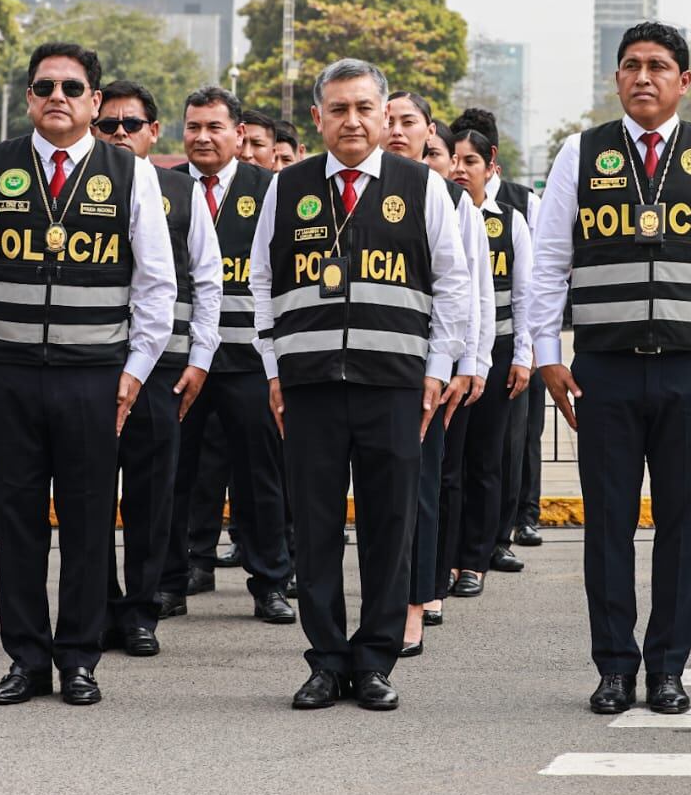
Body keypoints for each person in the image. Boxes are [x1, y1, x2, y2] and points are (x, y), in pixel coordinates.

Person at [530, 21, 691, 716]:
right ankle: (613, 667)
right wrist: (546, 353)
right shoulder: (580, 153)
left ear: (683, 81)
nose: (642, 77)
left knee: (681, 524)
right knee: (607, 524)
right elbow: (548, 260)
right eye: (630, 65)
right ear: (615, 78)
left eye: (658, 66)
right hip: (602, 367)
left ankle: (667, 668)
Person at [0, 42, 177, 705]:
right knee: (17, 521)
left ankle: (78, 658)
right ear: (28, 98)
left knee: (85, 520)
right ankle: (25, 659)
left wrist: (133, 373)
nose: (58, 97)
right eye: (45, 86)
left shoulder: (130, 175)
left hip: (94, 379)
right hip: (7, 377)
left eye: (73, 88)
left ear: (94, 102)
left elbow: (157, 287)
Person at [251, 57, 470, 711]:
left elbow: (452, 285)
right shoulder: (286, 188)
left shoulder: (420, 187)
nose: (352, 120)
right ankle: (325, 661)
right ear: (318, 117)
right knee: (313, 528)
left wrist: (438, 373)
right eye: (338, 109)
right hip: (310, 385)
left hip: (395, 385)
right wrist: (273, 369)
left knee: (389, 524)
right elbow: (263, 281)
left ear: (384, 115)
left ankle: (375, 660)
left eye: (363, 108)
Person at [93, 81, 222, 655]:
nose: (119, 134)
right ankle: (98, 606)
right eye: (109, 125)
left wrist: (200, 359)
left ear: (153, 131)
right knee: (88, 494)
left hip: (162, 370)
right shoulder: (74, 189)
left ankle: (142, 610)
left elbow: (209, 280)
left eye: (131, 125)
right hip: (89, 365)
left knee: (152, 497)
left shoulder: (181, 194)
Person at [157, 87, 293, 624]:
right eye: (193, 127)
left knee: (261, 477)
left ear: (239, 135)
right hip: (180, 360)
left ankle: (270, 583)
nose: (202, 137)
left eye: (215, 127)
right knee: (173, 474)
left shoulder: (274, 189)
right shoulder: (161, 189)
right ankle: (170, 580)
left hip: (249, 360)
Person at [383, 89, 490, 653]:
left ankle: (416, 601)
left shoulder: (450, 200)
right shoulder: (358, 192)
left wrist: (468, 363)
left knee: (422, 490)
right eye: (390, 119)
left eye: (410, 122)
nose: (398, 130)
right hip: (371, 366)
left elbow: (472, 289)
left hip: (428, 369)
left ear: (430, 132)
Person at [450, 108, 546, 557]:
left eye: (470, 161)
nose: (459, 169)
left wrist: (526, 356)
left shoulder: (512, 217)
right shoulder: (442, 213)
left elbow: (528, 292)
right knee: (456, 460)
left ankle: (494, 543)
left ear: (491, 167)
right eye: (454, 159)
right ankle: (455, 547)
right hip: (453, 354)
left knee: (501, 452)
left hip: (504, 350)